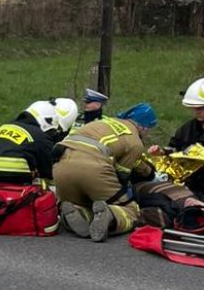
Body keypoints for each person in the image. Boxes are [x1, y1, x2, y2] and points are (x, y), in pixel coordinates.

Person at [53, 102, 158, 242]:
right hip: (94, 170)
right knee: (131, 210)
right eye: (149, 130)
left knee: (85, 202)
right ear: (143, 127)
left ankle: (79, 212)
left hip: (61, 168)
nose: (147, 134)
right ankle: (111, 216)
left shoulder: (102, 122)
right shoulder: (135, 142)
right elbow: (122, 175)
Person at [0, 101, 60, 186]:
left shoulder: (3, 127)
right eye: (51, 131)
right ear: (47, 122)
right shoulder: (39, 136)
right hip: (14, 174)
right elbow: (50, 171)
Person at [158, 78, 204, 197]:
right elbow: (175, 148)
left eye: (200, 108)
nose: (196, 112)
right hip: (190, 189)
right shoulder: (187, 129)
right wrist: (162, 152)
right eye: (193, 108)